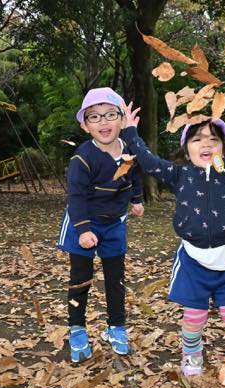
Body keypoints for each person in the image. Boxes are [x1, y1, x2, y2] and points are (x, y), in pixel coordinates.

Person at [121, 81, 225, 388]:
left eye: (214, 139)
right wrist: (130, 133)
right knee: (194, 316)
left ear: (223, 148)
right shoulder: (180, 174)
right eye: (197, 139)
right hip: (193, 260)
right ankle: (192, 356)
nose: (206, 144)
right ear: (186, 148)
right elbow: (149, 162)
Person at [57, 87, 144, 362]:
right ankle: (77, 328)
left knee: (115, 278)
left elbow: (135, 175)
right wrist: (83, 230)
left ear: (122, 120)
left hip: (114, 222)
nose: (103, 122)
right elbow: (76, 196)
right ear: (85, 125)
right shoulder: (82, 158)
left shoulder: (129, 151)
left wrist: (137, 200)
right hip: (83, 221)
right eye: (94, 117)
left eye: (110, 115)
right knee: (80, 278)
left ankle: (116, 327)